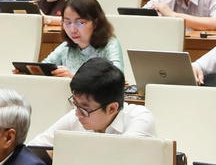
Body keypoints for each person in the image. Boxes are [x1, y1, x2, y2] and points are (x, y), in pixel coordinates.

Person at [28, 58, 156, 147]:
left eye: (84, 109)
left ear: (112, 108)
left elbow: (119, 155)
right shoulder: (77, 115)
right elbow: (36, 147)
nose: (77, 114)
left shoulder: (140, 118)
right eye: (75, 103)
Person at [43, 0, 123, 77]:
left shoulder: (110, 45)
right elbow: (42, 69)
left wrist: (74, 78)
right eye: (68, 22)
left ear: (95, 23)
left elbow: (117, 78)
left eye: (80, 23)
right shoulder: (65, 47)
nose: (72, 30)